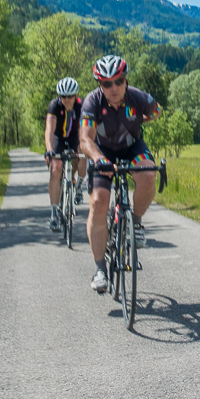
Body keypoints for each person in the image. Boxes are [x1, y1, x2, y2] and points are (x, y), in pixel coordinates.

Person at [79, 54, 162, 293]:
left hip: (132, 147)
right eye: (107, 84)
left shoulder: (139, 97)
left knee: (147, 174)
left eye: (118, 81)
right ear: (100, 85)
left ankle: (135, 222)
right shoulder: (92, 103)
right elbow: (85, 139)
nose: (113, 88)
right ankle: (100, 269)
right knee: (98, 201)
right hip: (102, 152)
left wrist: (140, 119)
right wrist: (98, 158)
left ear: (125, 80)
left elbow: (156, 112)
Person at [44, 76, 82, 232]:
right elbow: (49, 131)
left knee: (79, 157)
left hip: (74, 137)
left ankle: (75, 183)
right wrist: (49, 150)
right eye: (63, 96)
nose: (66, 100)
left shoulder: (82, 106)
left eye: (70, 96)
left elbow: (84, 130)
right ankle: (54, 213)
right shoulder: (54, 106)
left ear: (76, 96)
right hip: (58, 137)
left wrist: (81, 148)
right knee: (55, 168)